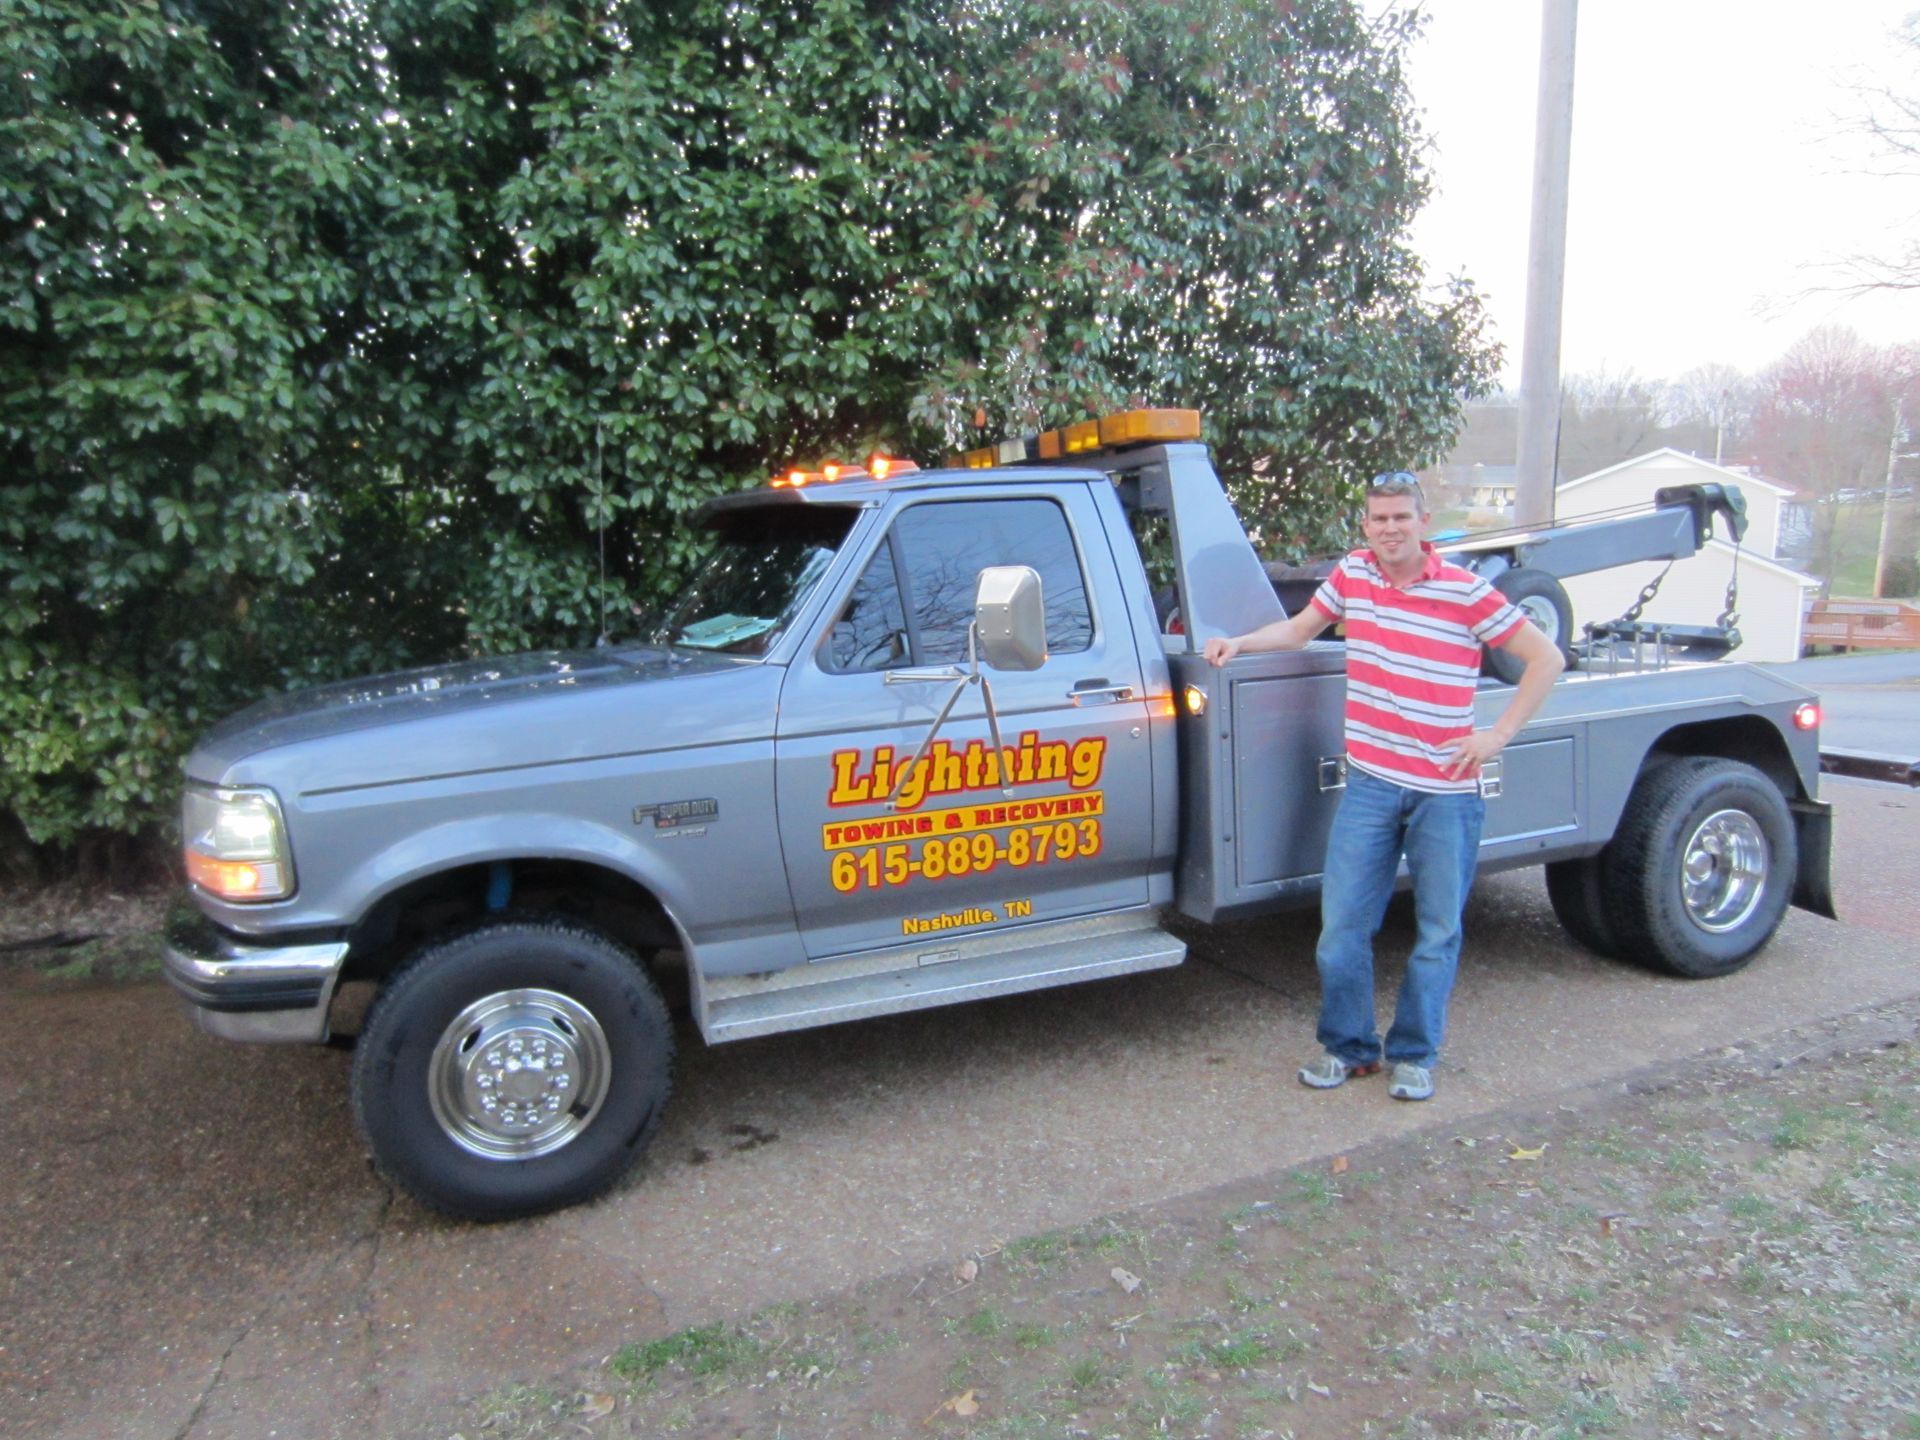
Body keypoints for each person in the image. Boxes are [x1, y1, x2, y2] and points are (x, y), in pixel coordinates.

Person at [1203, 473, 1565, 1101]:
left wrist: (1496, 735)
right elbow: (1297, 631)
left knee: (1436, 932)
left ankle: (1415, 1054)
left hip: (1446, 794)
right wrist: (1239, 643)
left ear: (1424, 522)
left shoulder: (1466, 592)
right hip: (1370, 785)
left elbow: (1546, 658)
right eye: (1379, 519)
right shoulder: (1354, 577)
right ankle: (1348, 1048)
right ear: (1366, 526)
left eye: (1401, 517)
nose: (1390, 528)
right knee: (1342, 927)